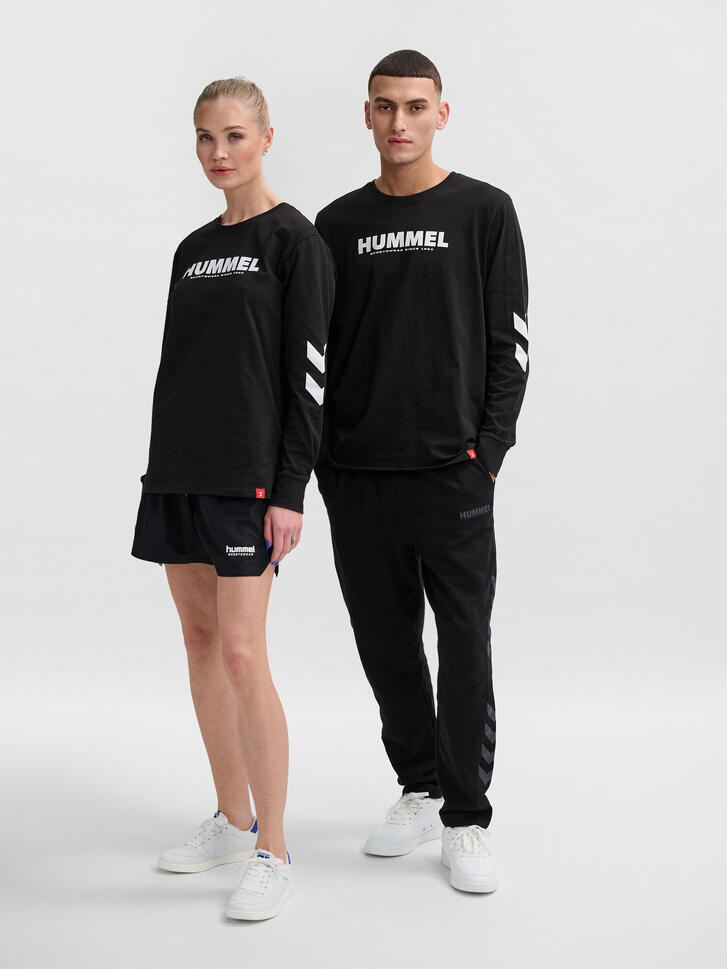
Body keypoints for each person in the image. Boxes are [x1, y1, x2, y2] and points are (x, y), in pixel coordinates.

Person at [314, 49, 529, 894]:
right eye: (384, 106)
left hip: (452, 475)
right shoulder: (335, 223)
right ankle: (420, 784)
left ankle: (465, 816)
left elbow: (511, 341)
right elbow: (315, 353)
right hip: (357, 474)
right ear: (366, 115)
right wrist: (324, 462)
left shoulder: (483, 210)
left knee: (464, 642)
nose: (398, 121)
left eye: (413, 105)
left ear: (441, 113)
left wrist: (488, 454)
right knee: (385, 643)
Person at [131, 76, 335, 921]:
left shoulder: (295, 240)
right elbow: (182, 365)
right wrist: (160, 470)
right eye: (205, 138)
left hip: (248, 479)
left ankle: (273, 848)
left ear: (266, 138)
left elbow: (309, 377)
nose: (219, 153)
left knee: (245, 654)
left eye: (234, 136)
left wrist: (289, 491)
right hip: (179, 469)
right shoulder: (191, 248)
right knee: (199, 640)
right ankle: (231, 815)